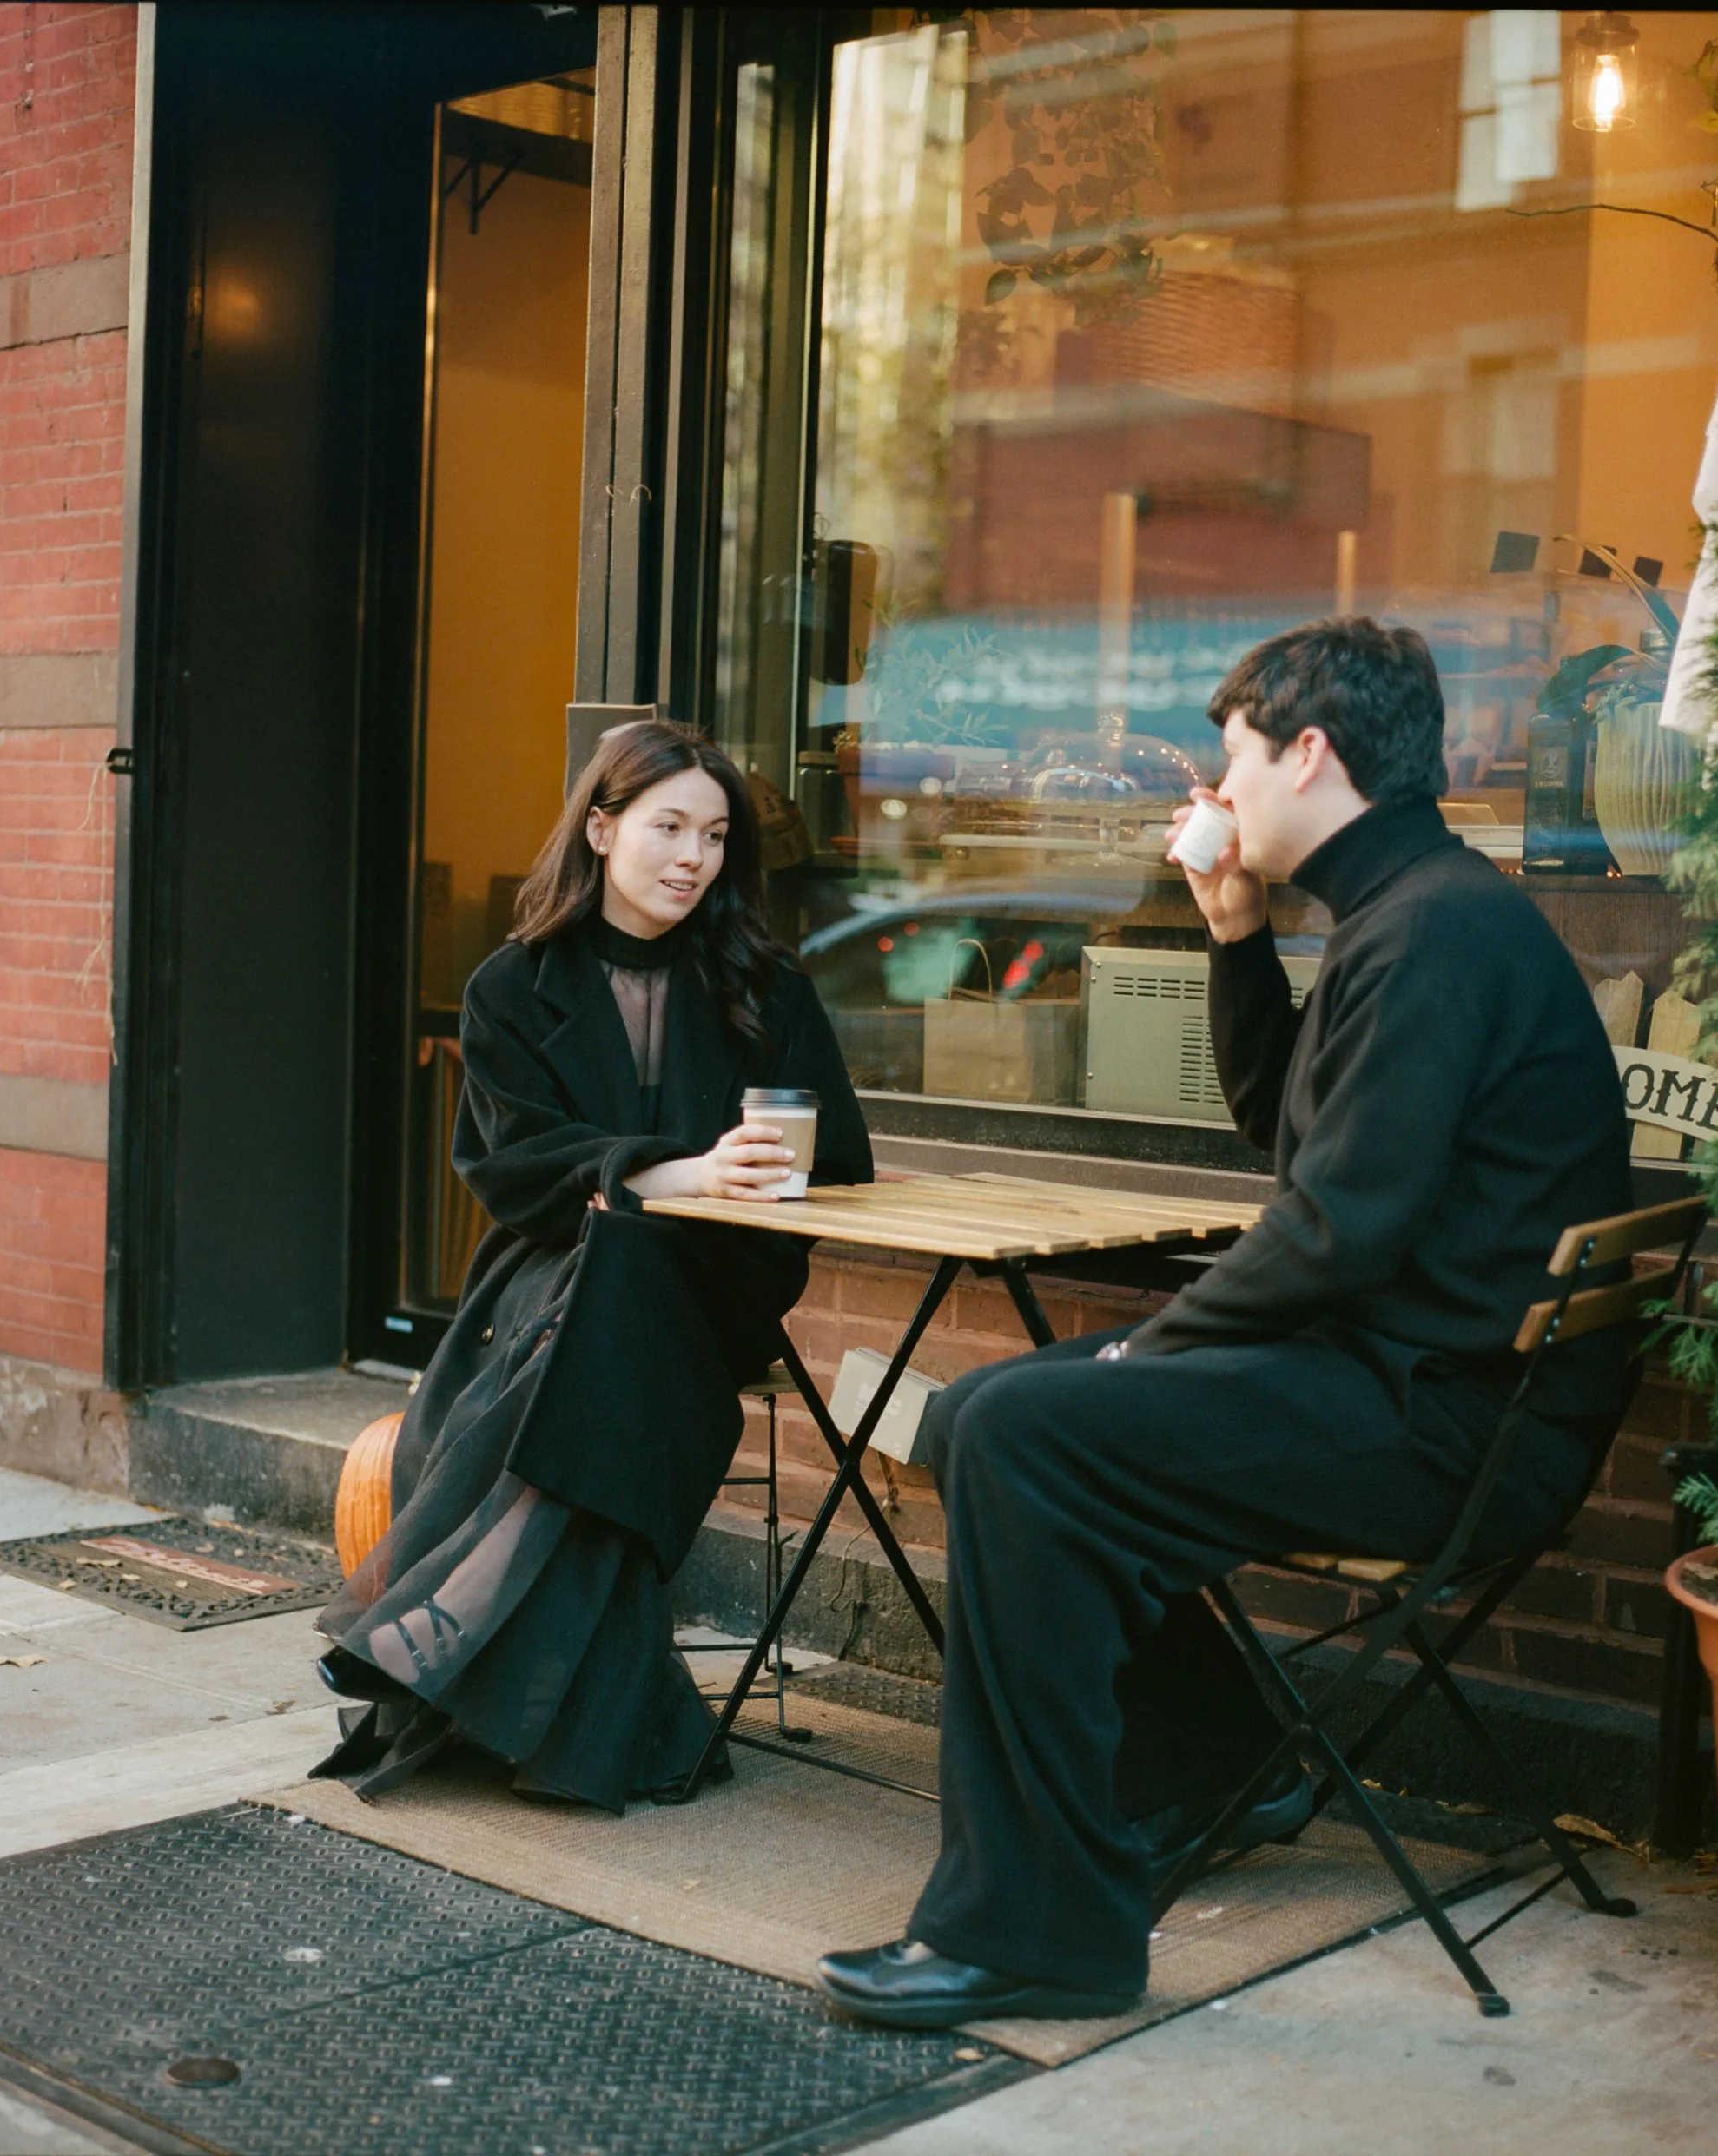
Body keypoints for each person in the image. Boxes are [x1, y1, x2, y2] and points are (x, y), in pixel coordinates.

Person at [817, 619, 1633, 2027]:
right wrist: (1235, 935)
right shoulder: (1412, 910)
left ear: (1311, 753)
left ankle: (1039, 1928)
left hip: (1442, 1424)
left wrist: (1153, 1348)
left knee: (1019, 1430)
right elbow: (1297, 1144)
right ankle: (1224, 1756)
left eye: (1234, 757)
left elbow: (1336, 1231)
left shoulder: (1431, 933)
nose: (1219, 789)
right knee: (981, 1417)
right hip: (1415, 1381)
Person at [313, 719, 870, 1810]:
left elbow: (840, 1153)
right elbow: (514, 1168)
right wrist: (673, 1173)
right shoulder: (513, 987)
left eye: (713, 835)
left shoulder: (766, 982)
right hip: (546, 1275)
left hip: (714, 1287)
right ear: (603, 826)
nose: (692, 857)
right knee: (612, 1264)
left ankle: (438, 1618)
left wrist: (757, 1167)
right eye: (668, 826)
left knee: (631, 1272)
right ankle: (589, 1716)